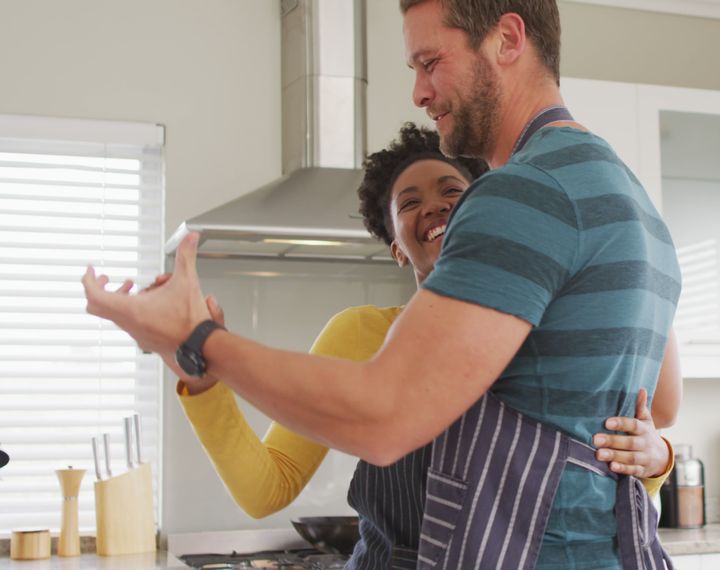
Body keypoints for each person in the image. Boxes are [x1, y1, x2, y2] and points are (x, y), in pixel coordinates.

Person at [82, 0, 681, 567]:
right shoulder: (633, 204)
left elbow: (385, 417)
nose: (420, 92)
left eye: (430, 62)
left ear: (507, 39)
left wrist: (198, 338)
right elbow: (657, 403)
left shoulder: (527, 191)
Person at [180, 123, 680, 569]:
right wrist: (203, 382)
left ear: (487, 212)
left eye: (453, 191)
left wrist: (656, 461)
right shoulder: (359, 333)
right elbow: (268, 487)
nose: (435, 205)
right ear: (397, 246)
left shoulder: (541, 330)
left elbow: (586, 472)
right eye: (409, 202)